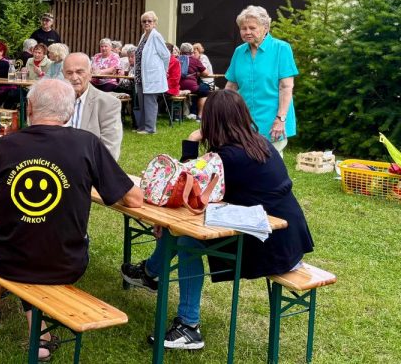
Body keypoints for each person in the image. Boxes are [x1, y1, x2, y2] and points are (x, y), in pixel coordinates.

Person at [121, 89, 314, 351]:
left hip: (266, 245)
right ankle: (149, 275)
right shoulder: (260, 142)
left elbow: (184, 184)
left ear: (211, 121)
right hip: (288, 238)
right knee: (179, 234)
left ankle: (187, 323)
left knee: (185, 240)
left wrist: (191, 140)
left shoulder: (226, 157)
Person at [0, 78, 142, 361]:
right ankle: (40, 336)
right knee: (40, 242)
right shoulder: (87, 144)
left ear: (30, 107)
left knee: (26, 240)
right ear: (70, 112)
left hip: (5, 258)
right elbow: (132, 199)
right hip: (66, 263)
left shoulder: (4, 145)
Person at [225, 5, 298, 154]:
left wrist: (281, 119)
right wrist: (220, 111)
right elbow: (231, 86)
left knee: (269, 163)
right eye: (243, 28)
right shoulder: (239, 52)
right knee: (245, 161)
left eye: (252, 28)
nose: (247, 32)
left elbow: (286, 87)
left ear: (265, 27)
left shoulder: (281, 48)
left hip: (273, 119)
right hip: (244, 119)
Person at [63, 53, 123, 160]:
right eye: (69, 73)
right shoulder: (56, 100)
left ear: (90, 74)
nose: (74, 77)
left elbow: (110, 150)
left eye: (79, 72)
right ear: (63, 75)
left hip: (89, 169)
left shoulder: (108, 104)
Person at [133, 11, 169, 134]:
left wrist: (163, 70)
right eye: (144, 21)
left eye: (150, 21)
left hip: (152, 75)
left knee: (150, 102)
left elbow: (166, 55)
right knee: (142, 101)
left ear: (155, 23)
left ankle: (150, 128)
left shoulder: (156, 36)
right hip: (140, 74)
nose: (147, 23)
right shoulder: (144, 36)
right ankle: (142, 127)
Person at [178, 42, 210, 119]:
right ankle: (199, 115)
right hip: (192, 87)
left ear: (180, 51)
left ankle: (185, 114)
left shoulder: (177, 59)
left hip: (178, 86)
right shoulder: (195, 60)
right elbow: (206, 73)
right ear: (191, 51)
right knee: (204, 90)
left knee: (198, 88)